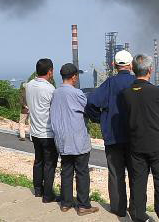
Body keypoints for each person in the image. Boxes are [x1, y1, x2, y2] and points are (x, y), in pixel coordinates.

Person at [122, 54, 159, 222]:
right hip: (157, 143)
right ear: (150, 70)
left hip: (136, 143)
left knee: (138, 181)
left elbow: (126, 114)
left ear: (133, 69)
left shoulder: (125, 93)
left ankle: (137, 215)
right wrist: (157, 114)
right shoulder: (156, 91)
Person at [84, 50, 136, 217]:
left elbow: (91, 102)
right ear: (131, 65)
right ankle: (135, 209)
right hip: (135, 138)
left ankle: (119, 208)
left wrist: (100, 119)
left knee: (115, 173)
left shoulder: (109, 83)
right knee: (136, 174)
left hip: (113, 137)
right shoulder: (137, 83)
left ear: (114, 65)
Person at [51, 63, 99, 216]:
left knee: (66, 171)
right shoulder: (77, 94)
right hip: (78, 139)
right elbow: (88, 110)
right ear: (74, 77)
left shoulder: (55, 93)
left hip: (62, 139)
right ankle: (83, 205)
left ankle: (65, 203)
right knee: (82, 172)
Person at [26, 58, 58, 203]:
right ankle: (47, 195)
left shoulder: (29, 85)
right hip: (47, 132)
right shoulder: (50, 89)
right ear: (49, 71)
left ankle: (38, 190)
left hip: (34, 131)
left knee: (38, 161)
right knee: (49, 163)